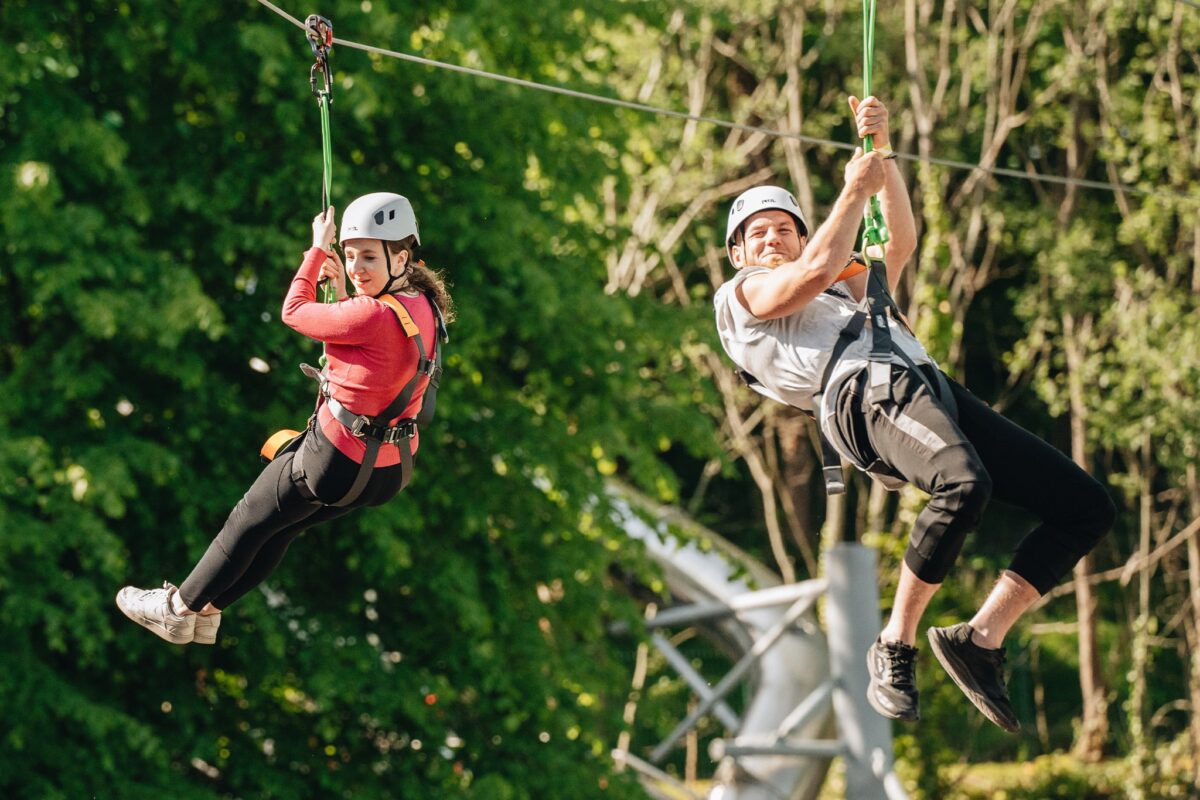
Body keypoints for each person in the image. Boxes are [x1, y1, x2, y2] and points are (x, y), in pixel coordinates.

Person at [712, 96, 1114, 731]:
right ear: (738, 254)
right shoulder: (742, 297)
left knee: (1086, 507)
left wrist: (882, 152)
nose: (771, 239)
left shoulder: (846, 283)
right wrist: (852, 189)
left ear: (801, 231)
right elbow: (813, 266)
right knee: (964, 484)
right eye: (757, 235)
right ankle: (894, 644)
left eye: (783, 228)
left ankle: (979, 640)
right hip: (859, 396)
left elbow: (899, 240)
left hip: (924, 384)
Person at [116, 192, 452, 645]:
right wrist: (344, 292)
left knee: (248, 518)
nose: (356, 267)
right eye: (350, 255)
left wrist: (316, 252)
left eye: (369, 256)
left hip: (335, 460)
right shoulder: (426, 308)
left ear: (402, 257)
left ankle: (178, 610)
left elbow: (293, 312)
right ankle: (210, 610)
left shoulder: (369, 313)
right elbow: (375, 352)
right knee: (281, 528)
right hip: (387, 473)